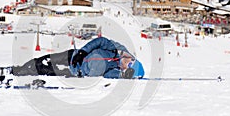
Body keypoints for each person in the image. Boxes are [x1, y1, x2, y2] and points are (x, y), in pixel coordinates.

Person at [13, 37, 144, 79]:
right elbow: (99, 41)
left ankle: (24, 72)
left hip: (75, 71)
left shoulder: (114, 69)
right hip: (75, 56)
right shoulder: (115, 50)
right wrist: (82, 52)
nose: (126, 67)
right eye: (130, 66)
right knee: (45, 60)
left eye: (128, 71)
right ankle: (21, 68)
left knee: (45, 70)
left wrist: (122, 75)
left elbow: (107, 76)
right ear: (131, 60)